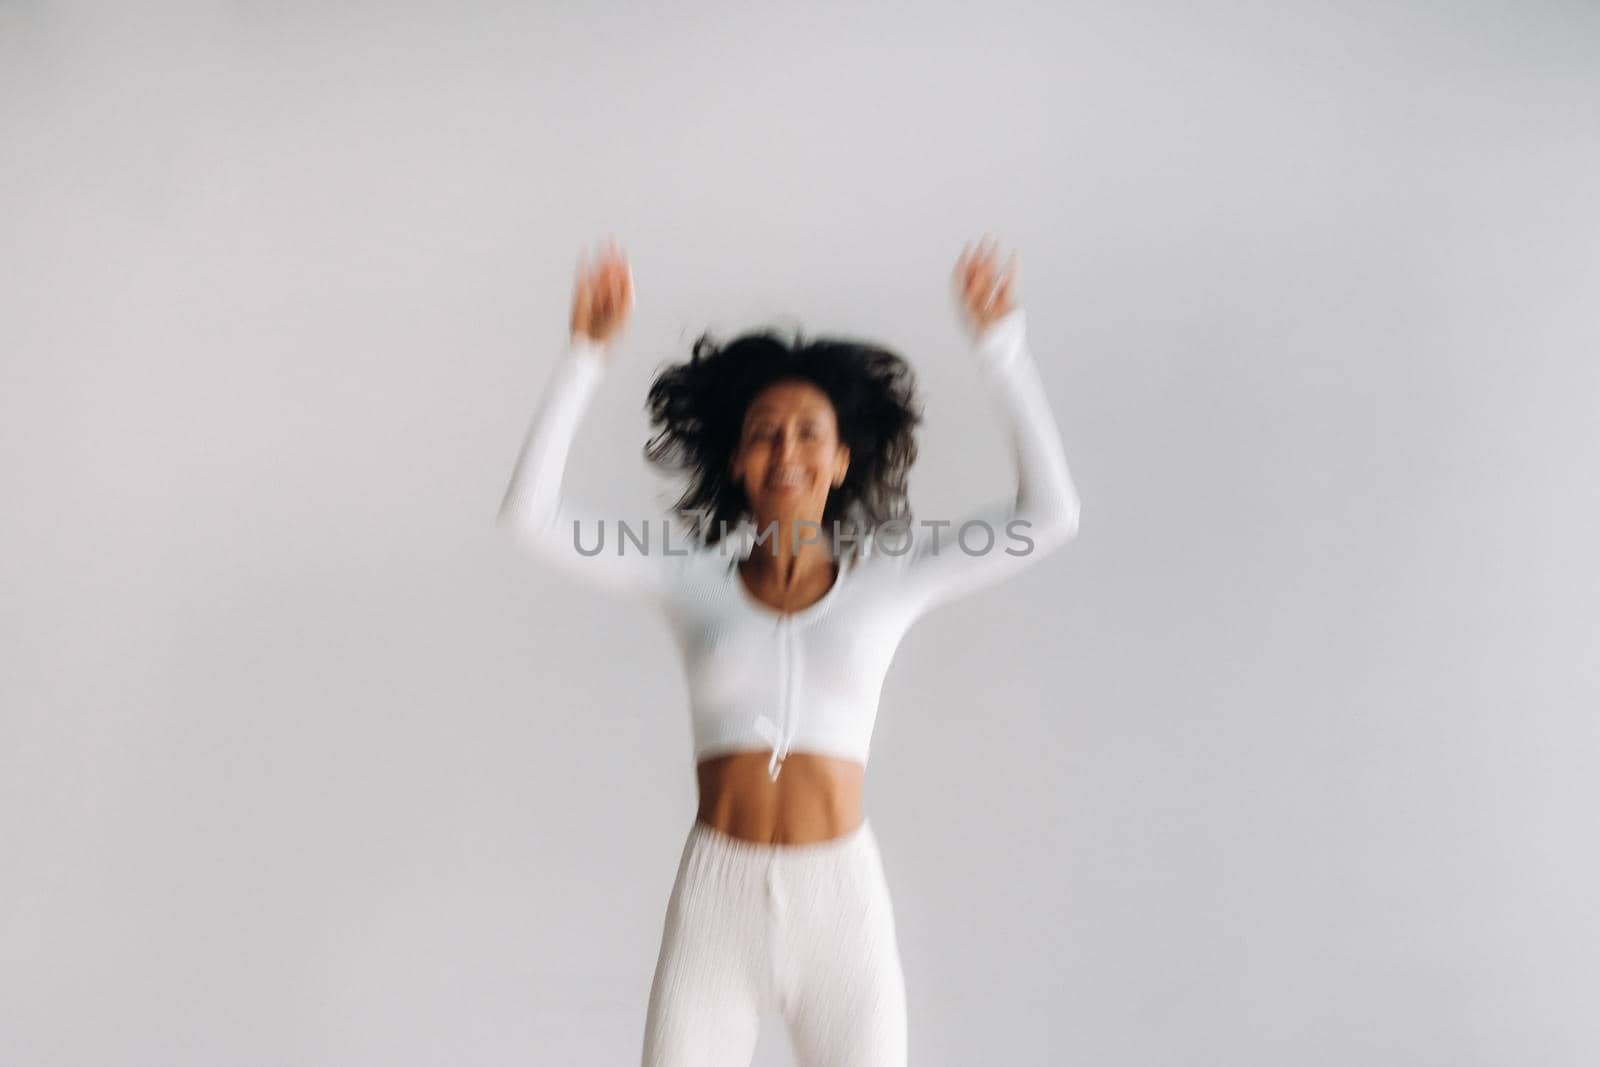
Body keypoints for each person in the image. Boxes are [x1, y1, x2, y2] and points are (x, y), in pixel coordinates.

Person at [496, 235, 1082, 1066]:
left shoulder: (894, 576)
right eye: (765, 433)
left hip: (841, 910)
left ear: (842, 460)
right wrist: (584, 358)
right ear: (737, 459)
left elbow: (1050, 513)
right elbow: (529, 517)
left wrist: (1002, 348)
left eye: (810, 433)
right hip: (715, 908)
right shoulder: (683, 574)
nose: (786, 451)